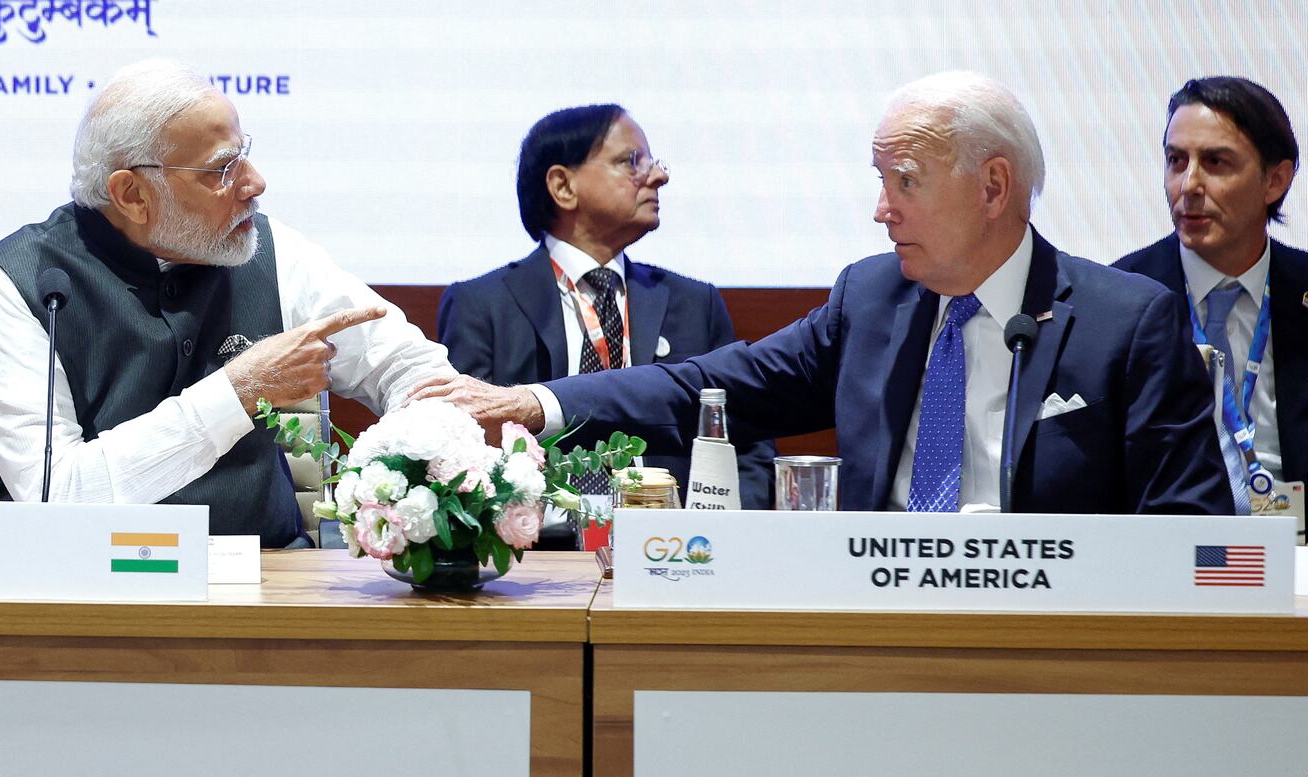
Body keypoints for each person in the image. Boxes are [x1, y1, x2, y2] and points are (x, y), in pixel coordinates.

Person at [412, 72, 1233, 515]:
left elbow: (1193, 538)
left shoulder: (1127, 322)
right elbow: (711, 385)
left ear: (993, 186)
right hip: (867, 635)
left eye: (903, 182)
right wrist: (535, 403)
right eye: (879, 182)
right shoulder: (872, 299)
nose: (881, 210)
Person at [0, 59, 454, 545]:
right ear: (132, 194)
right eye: (222, 168)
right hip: (87, 586)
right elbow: (55, 495)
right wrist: (237, 393)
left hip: (266, 579)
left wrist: (417, 462)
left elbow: (407, 366)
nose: (254, 182)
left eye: (243, 155)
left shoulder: (269, 249)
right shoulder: (21, 279)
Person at [437, 104, 774, 513]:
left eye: (652, 161)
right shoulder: (482, 306)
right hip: (536, 554)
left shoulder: (694, 304)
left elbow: (747, 443)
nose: (659, 175)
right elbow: (464, 448)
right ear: (563, 186)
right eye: (631, 161)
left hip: (678, 546)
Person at [1114, 76, 1306, 497]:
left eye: (1216, 162)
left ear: (1276, 181)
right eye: (1176, 161)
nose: (1189, 186)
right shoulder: (1117, 298)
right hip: (1164, 543)